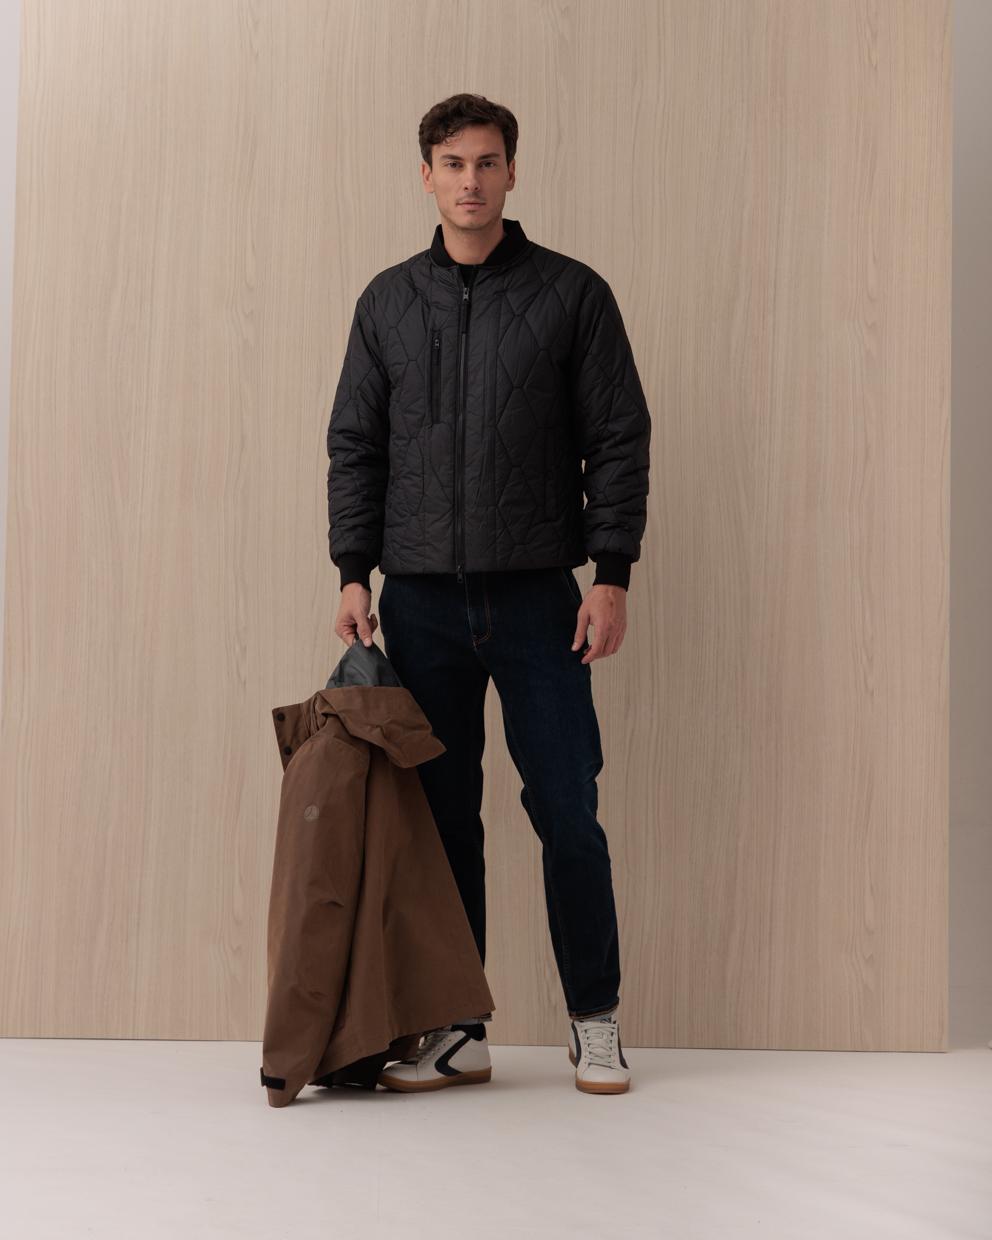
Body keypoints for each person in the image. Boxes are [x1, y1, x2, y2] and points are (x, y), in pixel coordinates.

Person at [326, 93, 651, 1096]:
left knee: (567, 809)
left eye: (487, 162)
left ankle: (594, 1019)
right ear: (425, 175)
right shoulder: (387, 302)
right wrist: (352, 570)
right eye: (453, 163)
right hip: (418, 601)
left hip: (537, 598)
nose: (470, 180)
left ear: (513, 172)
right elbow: (356, 446)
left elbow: (618, 438)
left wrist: (609, 576)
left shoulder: (571, 294)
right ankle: (457, 1027)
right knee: (439, 822)